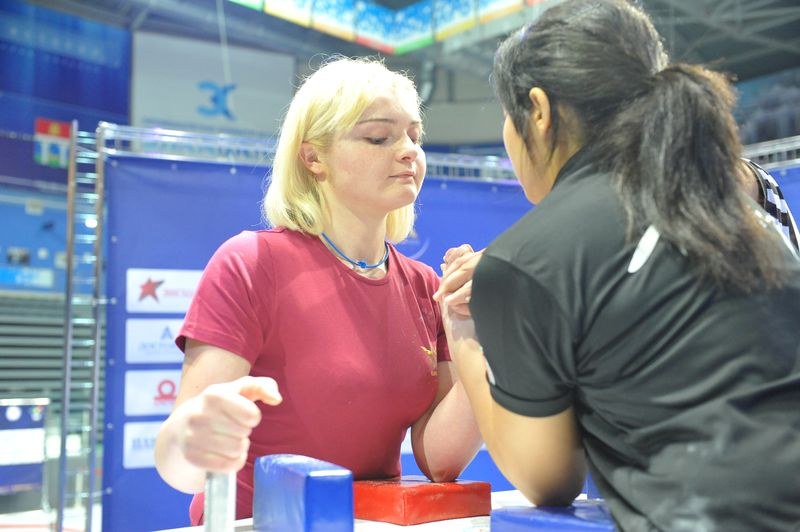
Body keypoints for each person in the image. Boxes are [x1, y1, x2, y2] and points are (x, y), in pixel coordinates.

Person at [435, 1, 800, 530]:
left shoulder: (528, 259)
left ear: (538, 111)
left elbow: (547, 478)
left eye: (507, 118)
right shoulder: (741, 211)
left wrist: (467, 343)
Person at [154, 57, 482, 524]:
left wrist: (479, 340)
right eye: (379, 137)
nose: (409, 151)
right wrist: (192, 435)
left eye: (415, 136)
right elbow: (185, 464)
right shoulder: (251, 263)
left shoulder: (424, 285)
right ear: (312, 158)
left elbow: (441, 461)